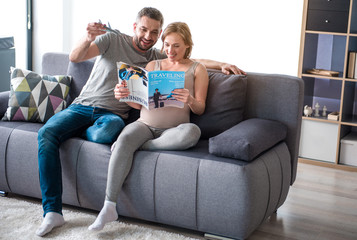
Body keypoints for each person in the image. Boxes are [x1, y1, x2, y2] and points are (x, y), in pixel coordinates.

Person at [36, 7, 244, 237]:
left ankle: (88, 134)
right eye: (144, 29)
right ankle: (52, 211)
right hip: (81, 106)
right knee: (46, 134)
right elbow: (75, 57)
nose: (148, 36)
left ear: (159, 34)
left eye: (154, 33)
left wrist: (222, 63)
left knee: (111, 132)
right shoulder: (112, 39)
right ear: (135, 27)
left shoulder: (155, 57)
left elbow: (189, 60)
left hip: (112, 117)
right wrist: (88, 37)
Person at [88, 21, 208, 232]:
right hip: (145, 124)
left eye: (177, 46)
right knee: (124, 139)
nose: (170, 51)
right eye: (167, 45)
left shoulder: (198, 70)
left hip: (174, 130)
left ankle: (143, 147)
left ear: (188, 45)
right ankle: (109, 205)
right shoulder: (153, 66)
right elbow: (139, 103)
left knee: (193, 132)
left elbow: (199, 109)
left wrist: (189, 99)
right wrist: (125, 96)